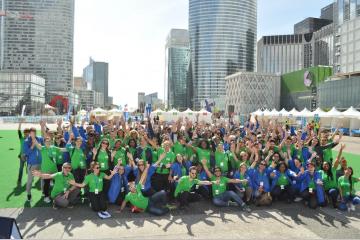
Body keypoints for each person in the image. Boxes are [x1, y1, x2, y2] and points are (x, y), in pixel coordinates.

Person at [23, 128, 43, 202]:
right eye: (31, 133)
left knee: (43, 178)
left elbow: (42, 148)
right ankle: (28, 194)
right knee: (30, 181)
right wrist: (32, 145)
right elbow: (26, 153)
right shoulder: (26, 141)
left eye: (34, 133)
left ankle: (43, 192)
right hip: (32, 164)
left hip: (41, 163)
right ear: (29, 133)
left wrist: (37, 144)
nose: (33, 135)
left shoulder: (40, 138)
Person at [17, 120, 29, 185]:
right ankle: (19, 179)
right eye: (25, 132)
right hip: (21, 156)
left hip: (28, 157)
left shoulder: (30, 140)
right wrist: (20, 123)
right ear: (24, 133)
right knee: (21, 168)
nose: (26, 134)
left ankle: (30, 179)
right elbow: (18, 131)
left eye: (27, 133)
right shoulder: (21, 138)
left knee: (29, 169)